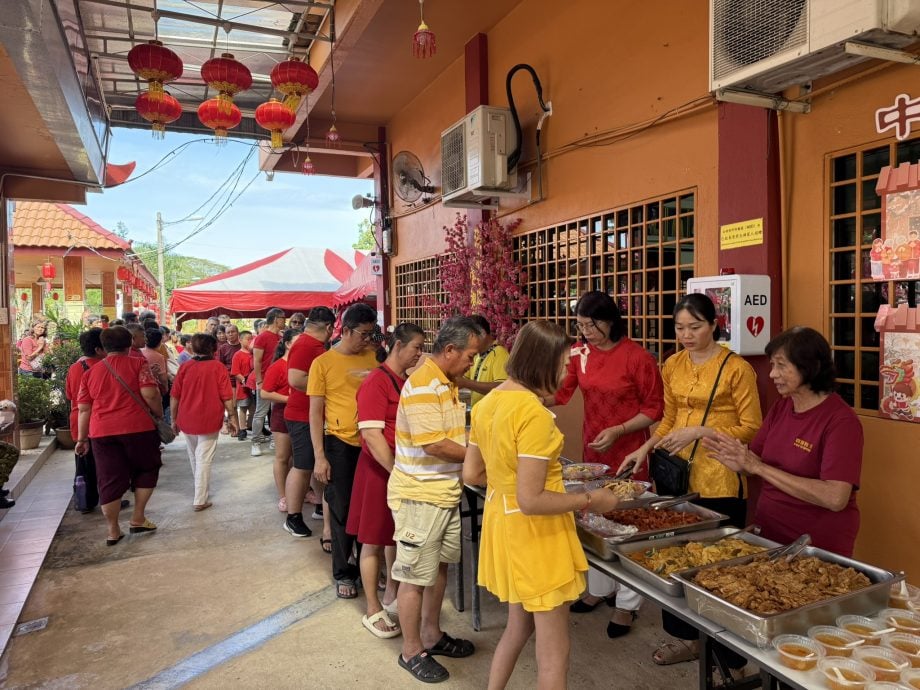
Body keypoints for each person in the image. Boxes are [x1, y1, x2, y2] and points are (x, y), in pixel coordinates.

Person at [464, 321, 621, 689]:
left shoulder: (489, 403)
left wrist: (512, 481)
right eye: (564, 362)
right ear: (543, 362)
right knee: (554, 653)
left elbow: (472, 473)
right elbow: (531, 500)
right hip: (537, 537)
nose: (567, 370)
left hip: (503, 525)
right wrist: (591, 499)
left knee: (517, 629)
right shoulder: (533, 414)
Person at [619, 293, 762, 671]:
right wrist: (644, 449)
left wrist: (701, 430)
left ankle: (730, 651)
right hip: (676, 476)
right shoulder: (672, 364)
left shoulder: (736, 368)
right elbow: (668, 420)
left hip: (720, 478)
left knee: (719, 567)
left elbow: (751, 427)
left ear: (714, 325)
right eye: (680, 327)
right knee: (675, 560)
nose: (686, 334)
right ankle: (687, 639)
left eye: (695, 327)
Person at [551, 291, 664, 636]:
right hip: (593, 455)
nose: (586, 332)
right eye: (580, 325)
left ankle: (627, 605)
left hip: (629, 452)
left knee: (628, 524)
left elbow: (655, 409)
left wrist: (619, 430)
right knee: (594, 520)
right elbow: (560, 394)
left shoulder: (637, 357)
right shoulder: (580, 354)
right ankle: (599, 590)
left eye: (592, 324)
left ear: (611, 319)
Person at [705, 326, 863, 556]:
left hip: (815, 546)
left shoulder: (841, 421)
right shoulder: (782, 406)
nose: (772, 374)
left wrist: (758, 467)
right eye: (772, 365)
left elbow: (835, 497)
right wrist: (739, 461)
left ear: (810, 367)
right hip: (769, 534)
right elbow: (754, 463)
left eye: (781, 365)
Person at [388, 316, 483, 683]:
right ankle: (411, 650)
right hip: (420, 497)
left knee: (439, 568)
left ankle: (431, 633)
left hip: (443, 493)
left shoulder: (446, 382)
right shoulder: (425, 382)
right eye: (471, 355)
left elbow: (452, 434)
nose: (472, 363)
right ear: (449, 350)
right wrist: (482, 456)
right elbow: (435, 444)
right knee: (413, 576)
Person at [348, 323, 426, 639]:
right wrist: (396, 470)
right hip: (380, 471)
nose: (419, 353)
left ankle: (391, 594)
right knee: (372, 541)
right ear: (397, 346)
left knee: (392, 537)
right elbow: (371, 433)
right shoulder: (377, 382)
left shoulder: (401, 381)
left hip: (396, 470)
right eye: (416, 347)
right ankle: (372, 608)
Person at [309, 303, 379, 593]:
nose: (367, 340)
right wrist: (320, 456)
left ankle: (367, 565)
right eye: (363, 334)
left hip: (372, 442)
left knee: (369, 508)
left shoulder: (373, 357)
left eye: (371, 334)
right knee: (342, 508)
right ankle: (342, 572)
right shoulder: (323, 363)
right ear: (346, 330)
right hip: (340, 442)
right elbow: (315, 412)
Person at [75, 326, 163, 546]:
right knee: (146, 469)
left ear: (103, 347)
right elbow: (150, 393)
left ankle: (113, 531)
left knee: (109, 479)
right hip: (139, 428)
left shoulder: (90, 373)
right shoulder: (138, 364)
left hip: (102, 432)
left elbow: (84, 409)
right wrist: (159, 414)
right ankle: (138, 517)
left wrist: (81, 439)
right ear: (130, 342)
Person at [283, 308, 335, 539]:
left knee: (315, 465)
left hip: (307, 415)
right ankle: (293, 517)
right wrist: (328, 387)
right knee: (302, 467)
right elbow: (295, 379)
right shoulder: (306, 345)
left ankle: (320, 507)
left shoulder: (310, 344)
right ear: (329, 328)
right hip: (302, 416)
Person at [170, 333, 237, 511]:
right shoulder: (218, 367)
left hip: (186, 418)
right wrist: (232, 417)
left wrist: (173, 419)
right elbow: (227, 396)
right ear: (213, 348)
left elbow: (175, 396)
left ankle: (200, 492)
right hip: (209, 418)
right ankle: (200, 498)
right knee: (204, 458)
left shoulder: (185, 367)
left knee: (195, 456)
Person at [65, 328, 106, 513]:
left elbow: (69, 394)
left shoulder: (75, 368)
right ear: (99, 349)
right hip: (97, 420)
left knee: (82, 463)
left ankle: (85, 501)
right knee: (103, 464)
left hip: (77, 420)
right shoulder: (103, 368)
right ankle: (106, 499)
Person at [260, 328, 300, 512]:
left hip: (302, 415)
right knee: (283, 456)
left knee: (297, 457)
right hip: (282, 415)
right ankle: (283, 495)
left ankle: (298, 491)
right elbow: (265, 392)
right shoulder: (277, 366)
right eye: (298, 341)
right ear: (288, 344)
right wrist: (288, 398)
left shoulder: (302, 364)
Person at [251, 308, 286, 456]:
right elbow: (257, 361)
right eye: (283, 318)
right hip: (265, 380)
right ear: (276, 319)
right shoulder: (262, 337)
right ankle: (255, 441)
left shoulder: (281, 337)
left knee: (275, 410)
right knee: (261, 411)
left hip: (278, 380)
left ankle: (273, 438)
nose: (285, 321)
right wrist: (259, 380)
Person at [457, 314, 510, 407]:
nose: (466, 341)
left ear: (483, 334)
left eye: (470, 336)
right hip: (479, 414)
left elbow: (502, 387)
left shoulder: (499, 353)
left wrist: (466, 383)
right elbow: (463, 378)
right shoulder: (477, 355)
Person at [230, 330, 255, 440]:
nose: (250, 341)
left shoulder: (253, 353)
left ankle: (250, 425)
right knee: (243, 408)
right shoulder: (237, 355)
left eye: (251, 339)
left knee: (254, 408)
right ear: (240, 340)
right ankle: (242, 429)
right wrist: (244, 380)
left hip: (253, 386)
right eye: (248, 339)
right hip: (243, 386)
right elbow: (235, 372)